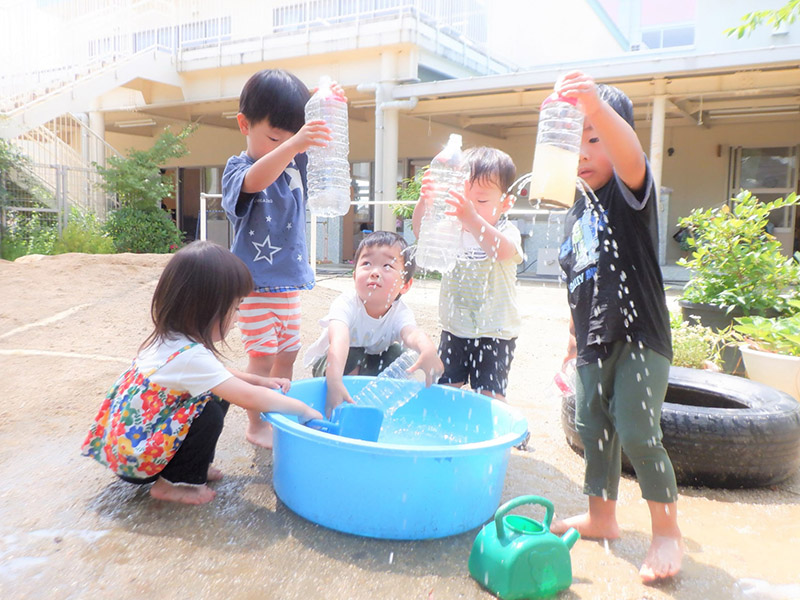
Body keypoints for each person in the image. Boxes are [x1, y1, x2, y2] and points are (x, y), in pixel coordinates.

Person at [552, 71, 682, 583]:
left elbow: (631, 156)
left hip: (639, 336)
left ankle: (667, 534)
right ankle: (602, 517)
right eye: (574, 139)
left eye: (595, 137)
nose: (583, 150)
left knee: (637, 429)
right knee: (592, 427)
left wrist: (593, 105)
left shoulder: (629, 194)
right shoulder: (575, 209)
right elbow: (577, 280)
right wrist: (569, 337)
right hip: (591, 341)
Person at [81, 241, 322, 505]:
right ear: (208, 308)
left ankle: (192, 468)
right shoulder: (190, 357)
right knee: (207, 413)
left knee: (216, 396)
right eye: (236, 307)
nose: (239, 316)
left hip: (127, 448)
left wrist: (259, 379)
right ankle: (174, 484)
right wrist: (302, 409)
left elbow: (220, 374)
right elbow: (249, 398)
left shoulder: (171, 339)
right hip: (138, 461)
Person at [221, 69, 334, 448]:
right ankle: (256, 425)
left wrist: (330, 108)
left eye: (292, 137)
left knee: (288, 353)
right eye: (273, 137)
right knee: (263, 357)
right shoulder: (239, 170)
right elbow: (255, 181)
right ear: (244, 125)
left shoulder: (295, 165)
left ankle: (278, 416)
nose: (285, 146)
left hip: (289, 286)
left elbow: (323, 153)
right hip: (254, 286)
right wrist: (293, 144)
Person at [412, 146, 522, 401]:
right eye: (464, 199)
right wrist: (425, 202)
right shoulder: (452, 229)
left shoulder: (507, 231)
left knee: (489, 394)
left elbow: (502, 252)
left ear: (506, 203)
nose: (468, 208)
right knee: (444, 389)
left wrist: (472, 219)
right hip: (456, 329)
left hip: (495, 333)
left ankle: (496, 435)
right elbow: (421, 232)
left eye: (481, 201)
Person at [303, 231, 443, 417]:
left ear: (405, 285)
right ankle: (342, 402)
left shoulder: (400, 312)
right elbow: (339, 340)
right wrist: (334, 381)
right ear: (354, 276)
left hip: (369, 366)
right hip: (331, 367)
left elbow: (411, 334)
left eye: (387, 266)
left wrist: (428, 349)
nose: (375, 272)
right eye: (366, 264)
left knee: (397, 354)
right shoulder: (346, 303)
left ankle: (377, 407)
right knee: (354, 352)